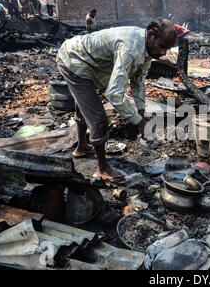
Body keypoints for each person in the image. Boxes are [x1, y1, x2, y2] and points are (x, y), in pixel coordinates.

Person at [56, 19, 177, 182]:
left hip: (89, 63)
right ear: (150, 34)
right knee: (98, 119)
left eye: (167, 49)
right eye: (162, 46)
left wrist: (142, 114)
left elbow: (138, 83)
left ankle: (82, 146)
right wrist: (139, 122)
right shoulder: (130, 48)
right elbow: (114, 94)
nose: (163, 53)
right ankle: (102, 168)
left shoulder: (147, 48)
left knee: (86, 105)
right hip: (73, 59)